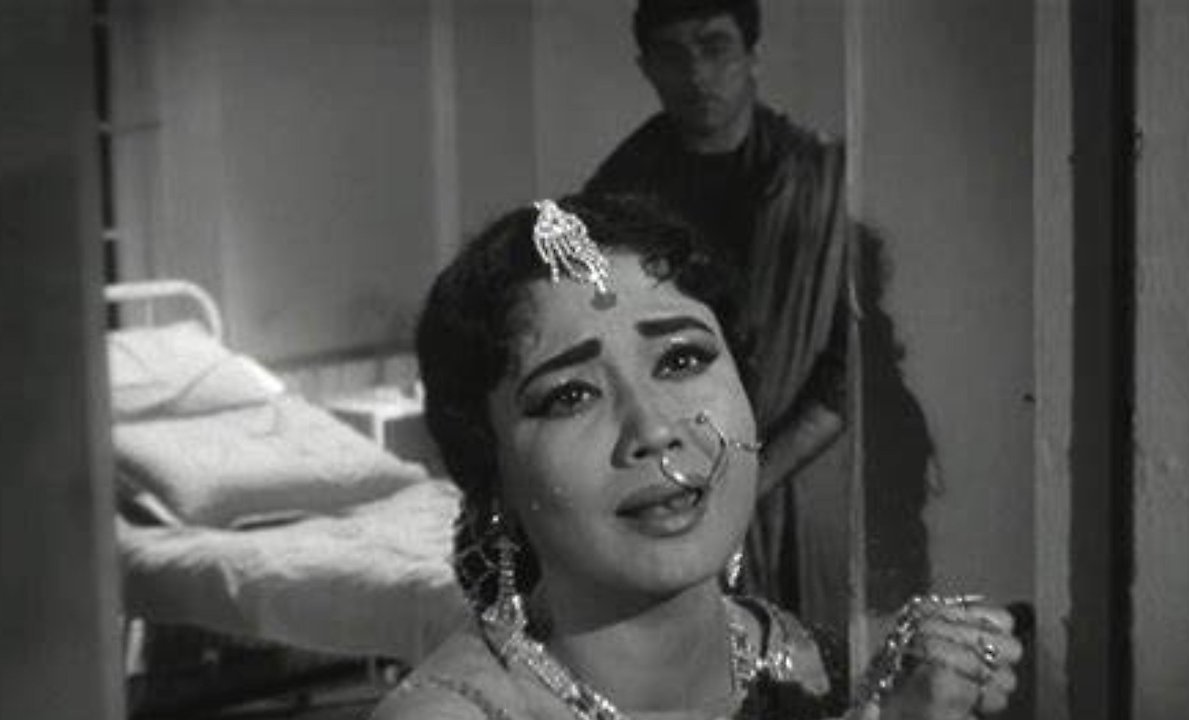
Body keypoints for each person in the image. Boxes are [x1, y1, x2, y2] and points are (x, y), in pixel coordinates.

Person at [373, 194, 1021, 719]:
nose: (654, 429)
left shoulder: (817, 671)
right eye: (571, 395)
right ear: (491, 473)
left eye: (682, 360)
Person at [584, 0, 933, 630]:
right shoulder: (616, 193)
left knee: (811, 654)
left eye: (714, 47)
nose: (697, 74)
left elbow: (856, 358)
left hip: (805, 479)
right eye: (673, 54)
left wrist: (754, 476)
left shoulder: (824, 181)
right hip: (675, 480)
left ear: (753, 56)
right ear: (646, 68)